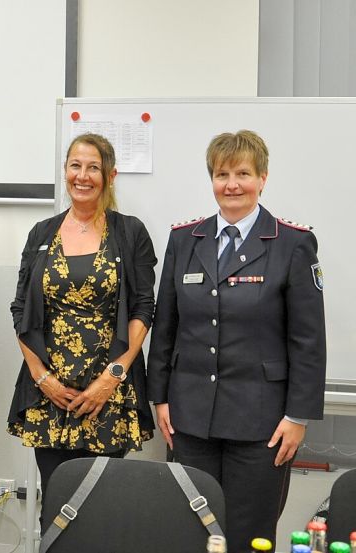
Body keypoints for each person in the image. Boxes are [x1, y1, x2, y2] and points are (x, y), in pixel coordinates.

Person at [147, 130, 326, 553]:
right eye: (222, 173)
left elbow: (308, 340)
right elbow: (165, 326)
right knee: (191, 532)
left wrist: (297, 417)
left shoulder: (292, 243)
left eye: (243, 173)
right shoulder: (184, 240)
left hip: (261, 426)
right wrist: (161, 398)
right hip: (191, 420)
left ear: (262, 178)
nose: (232, 184)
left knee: (248, 536)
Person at [7, 133, 157, 498]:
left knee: (101, 509)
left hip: (108, 394)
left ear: (110, 175)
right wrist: (42, 378)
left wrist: (112, 378)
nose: (83, 175)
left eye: (94, 167)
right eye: (76, 165)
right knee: (55, 505)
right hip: (50, 395)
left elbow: (142, 307)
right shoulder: (42, 233)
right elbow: (20, 311)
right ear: (65, 171)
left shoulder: (130, 232)